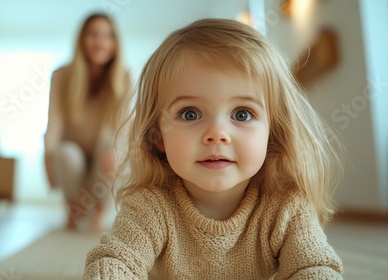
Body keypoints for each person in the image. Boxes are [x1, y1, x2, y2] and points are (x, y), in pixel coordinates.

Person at [83, 18, 344, 279]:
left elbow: (315, 266)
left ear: (273, 132)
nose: (217, 134)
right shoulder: (150, 207)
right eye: (190, 114)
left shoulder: (287, 207)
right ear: (156, 136)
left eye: (242, 114)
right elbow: (115, 262)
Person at [44, 13, 129, 232]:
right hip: (73, 150)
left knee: (112, 150)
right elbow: (54, 122)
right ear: (82, 39)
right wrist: (48, 155)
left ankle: (99, 211)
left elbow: (123, 126)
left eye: (108, 36)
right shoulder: (62, 75)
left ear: (115, 43)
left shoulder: (125, 76)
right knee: (65, 154)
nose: (100, 41)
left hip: (104, 151)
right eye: (93, 34)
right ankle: (74, 209)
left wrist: (117, 152)